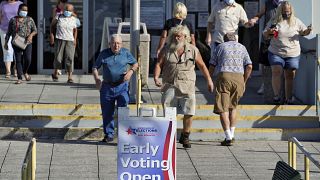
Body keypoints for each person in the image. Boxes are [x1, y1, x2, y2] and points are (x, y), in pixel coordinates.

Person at [154, 25, 214, 148]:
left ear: (185, 37)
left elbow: (202, 65)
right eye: (174, 36)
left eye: (179, 36)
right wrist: (156, 77)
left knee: (189, 112)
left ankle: (185, 136)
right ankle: (170, 136)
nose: (177, 38)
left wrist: (209, 80)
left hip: (187, 86)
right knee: (169, 112)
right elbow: (159, 64)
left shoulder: (193, 50)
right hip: (169, 85)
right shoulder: (166, 50)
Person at [263, 1, 312, 104]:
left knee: (290, 75)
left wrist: (308, 30)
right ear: (281, 11)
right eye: (285, 11)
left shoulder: (296, 21)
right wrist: (269, 32)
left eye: (288, 11)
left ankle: (288, 98)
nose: (287, 13)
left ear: (291, 11)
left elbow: (303, 32)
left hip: (292, 53)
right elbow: (265, 34)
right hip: (276, 51)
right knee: (276, 71)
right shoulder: (274, 20)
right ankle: (276, 96)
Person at [209, 33, 252, 146]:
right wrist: (244, 80)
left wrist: (209, 79)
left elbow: (212, 64)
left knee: (223, 108)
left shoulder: (220, 46)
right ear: (235, 39)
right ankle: (232, 134)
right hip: (239, 78)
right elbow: (249, 66)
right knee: (233, 107)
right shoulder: (242, 47)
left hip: (224, 77)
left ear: (224, 39)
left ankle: (228, 137)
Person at [92, 34, 138, 142]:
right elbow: (95, 67)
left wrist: (131, 72)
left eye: (118, 43)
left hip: (122, 86)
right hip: (107, 87)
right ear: (109, 44)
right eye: (113, 43)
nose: (116, 46)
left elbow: (135, 64)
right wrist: (97, 79)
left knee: (123, 110)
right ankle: (109, 134)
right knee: (107, 112)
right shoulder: (104, 54)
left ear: (121, 44)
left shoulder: (125, 53)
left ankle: (123, 134)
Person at [249, 0, 283, 95]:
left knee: (279, 64)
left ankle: (280, 89)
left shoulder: (285, 4)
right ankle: (265, 84)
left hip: (279, 40)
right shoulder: (268, 3)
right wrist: (255, 19)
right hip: (267, 39)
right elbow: (261, 13)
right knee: (265, 64)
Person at [4, 3, 37, 84]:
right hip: (16, 42)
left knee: (28, 59)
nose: (24, 12)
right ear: (18, 10)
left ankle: (25, 72)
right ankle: (19, 78)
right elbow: (8, 32)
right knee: (18, 60)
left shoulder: (30, 19)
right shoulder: (13, 20)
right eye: (23, 10)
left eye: (26, 10)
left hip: (27, 42)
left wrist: (31, 35)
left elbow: (35, 30)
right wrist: (6, 43)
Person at [50, 3, 78, 83]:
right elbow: (52, 26)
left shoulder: (74, 19)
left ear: (72, 11)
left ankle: (70, 77)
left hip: (70, 40)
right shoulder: (58, 16)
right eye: (66, 9)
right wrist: (51, 35)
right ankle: (55, 73)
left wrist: (75, 39)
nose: (67, 11)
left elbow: (75, 30)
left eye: (69, 10)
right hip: (59, 39)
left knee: (69, 58)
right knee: (58, 58)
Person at [0, 0, 22, 78]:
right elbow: (0, 16)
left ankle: (16, 69)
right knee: (7, 50)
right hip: (4, 30)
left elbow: (23, 18)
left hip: (17, 31)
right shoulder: (3, 3)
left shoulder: (20, 4)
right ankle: (8, 71)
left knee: (17, 50)